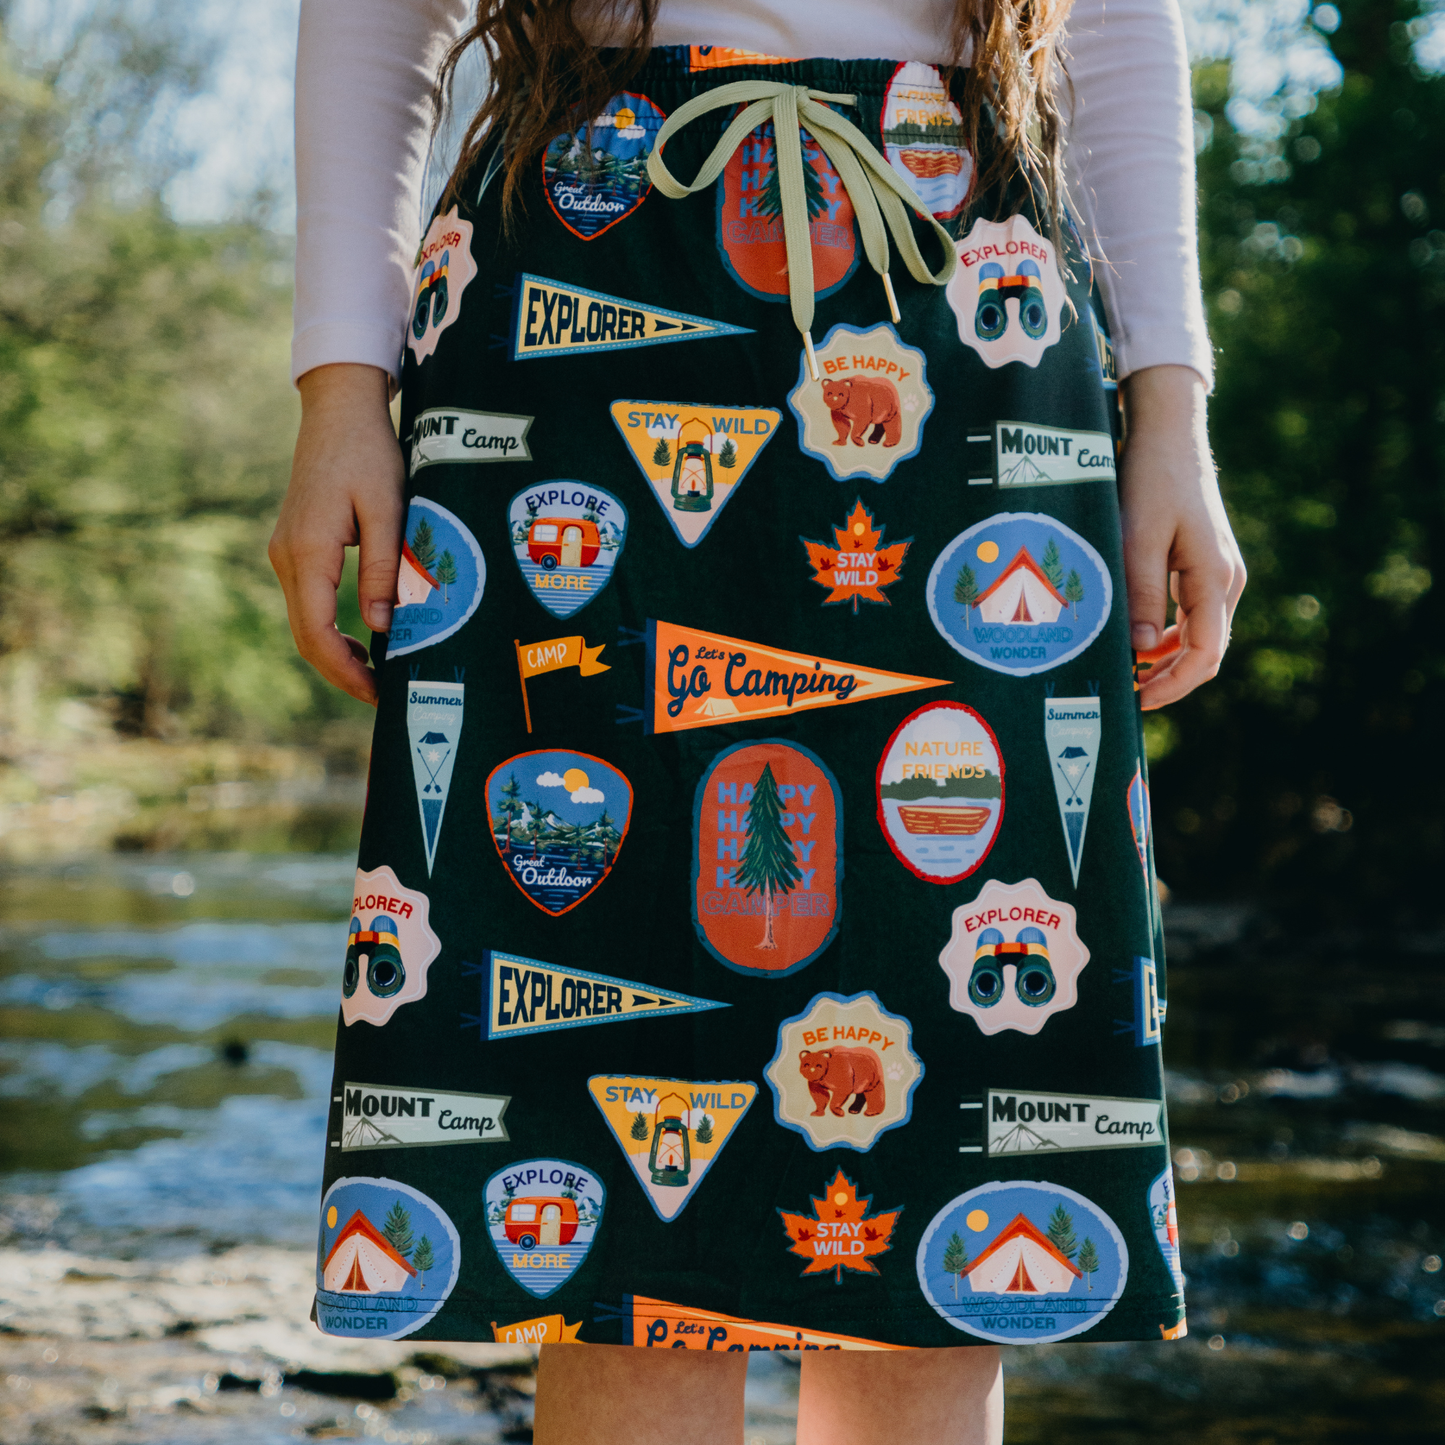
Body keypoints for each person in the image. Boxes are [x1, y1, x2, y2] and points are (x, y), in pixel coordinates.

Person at [271, 3, 1245, 1442]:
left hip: (958, 285)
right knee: (609, 1206)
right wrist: (340, 390)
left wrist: (1174, 406)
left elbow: (1112, 25)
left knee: (945, 1170)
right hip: (582, 278)